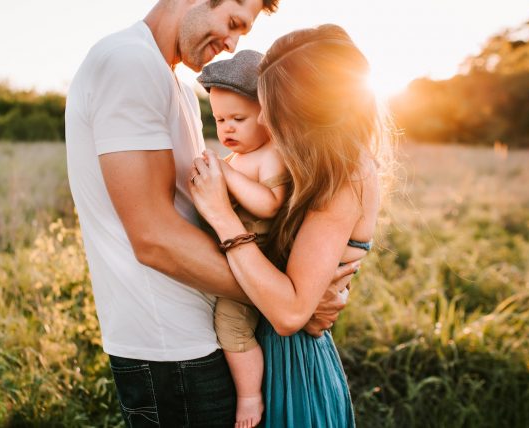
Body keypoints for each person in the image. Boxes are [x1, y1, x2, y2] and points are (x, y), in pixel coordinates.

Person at [65, 1, 362, 425]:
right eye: (232, 23)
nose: (233, 44)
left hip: (204, 337)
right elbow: (153, 239)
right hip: (173, 349)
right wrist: (290, 301)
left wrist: (295, 293)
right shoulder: (129, 64)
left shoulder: (178, 86)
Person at [189, 24, 392, 427]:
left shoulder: (344, 176)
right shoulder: (313, 168)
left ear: (307, 110)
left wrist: (222, 217)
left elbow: (290, 312)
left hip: (293, 366)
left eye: (271, 105)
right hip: (272, 351)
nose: (263, 116)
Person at [197, 49, 288, 427]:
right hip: (234, 259)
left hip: (260, 266)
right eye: (220, 120)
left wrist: (226, 175)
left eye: (238, 118)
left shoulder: (272, 154)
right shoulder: (237, 158)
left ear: (267, 116)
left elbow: (269, 204)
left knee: (230, 324)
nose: (227, 129)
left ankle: (250, 398)